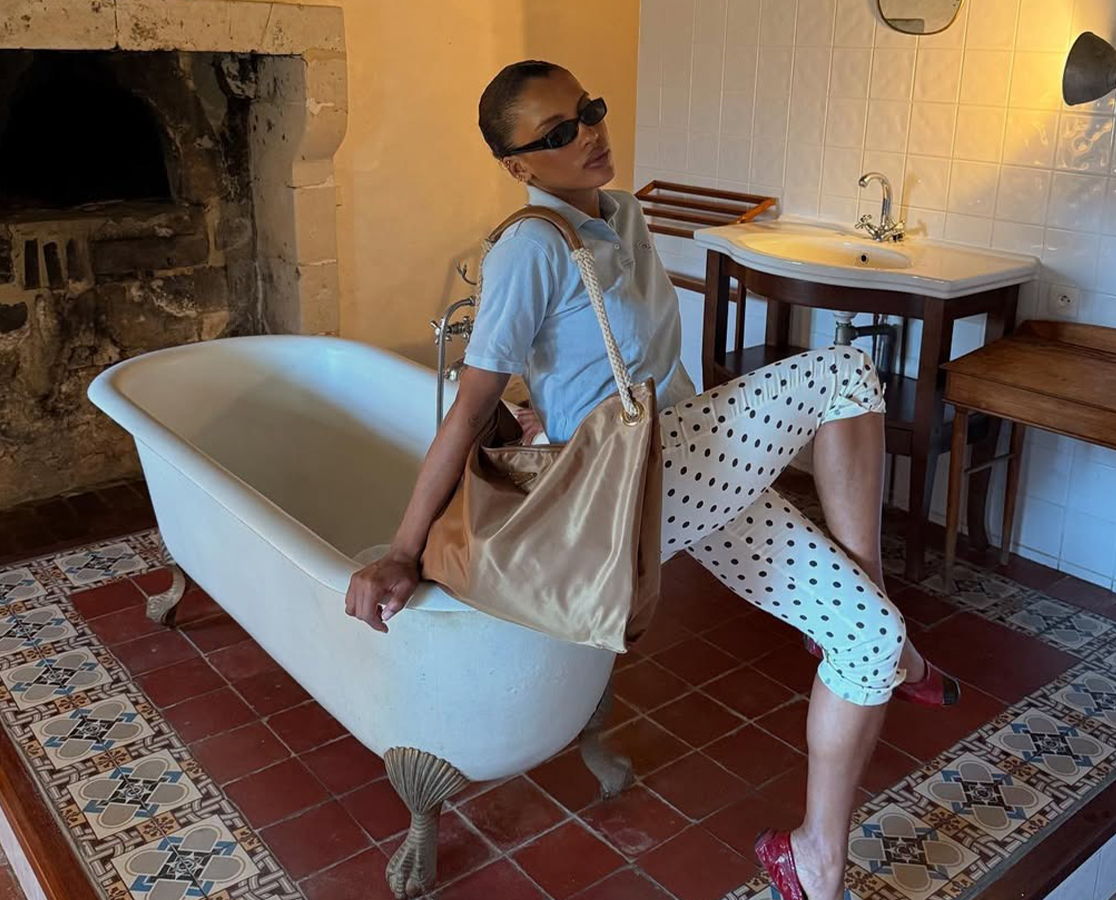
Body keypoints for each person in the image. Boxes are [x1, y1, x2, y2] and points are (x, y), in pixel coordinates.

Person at [344, 60, 959, 900]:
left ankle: (814, 860)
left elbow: (599, 362)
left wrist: (547, 411)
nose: (587, 133)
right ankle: (878, 591)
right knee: (847, 371)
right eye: (557, 133)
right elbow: (466, 407)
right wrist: (402, 549)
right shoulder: (528, 247)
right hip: (627, 489)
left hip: (684, 466)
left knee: (870, 642)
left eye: (587, 111)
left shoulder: (625, 216)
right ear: (520, 166)